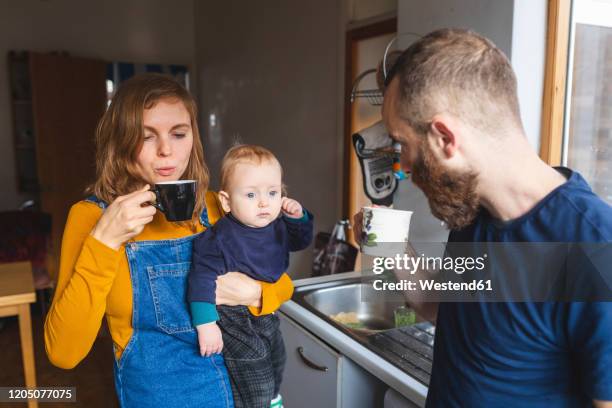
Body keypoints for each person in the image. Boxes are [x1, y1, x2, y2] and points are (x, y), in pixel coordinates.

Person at [355, 29, 612, 407]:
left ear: (445, 137)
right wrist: (392, 249)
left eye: (402, 145)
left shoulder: (593, 247)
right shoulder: (473, 213)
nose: (403, 165)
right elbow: (444, 309)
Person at [44, 73, 294, 408]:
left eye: (179, 134)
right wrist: (105, 241)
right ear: (120, 140)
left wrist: (256, 293)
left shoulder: (215, 206)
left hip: (244, 392)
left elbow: (284, 285)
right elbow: (64, 353)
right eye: (146, 137)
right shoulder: (91, 218)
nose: (166, 151)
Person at [189, 144, 313, 408]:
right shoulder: (218, 238)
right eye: (250, 194)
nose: (264, 202)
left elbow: (301, 241)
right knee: (254, 370)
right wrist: (206, 324)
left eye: (273, 192)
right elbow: (200, 280)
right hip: (234, 317)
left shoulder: (277, 224)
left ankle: (271, 399)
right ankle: (259, 401)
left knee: (277, 358)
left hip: (266, 311)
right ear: (226, 201)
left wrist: (298, 217)